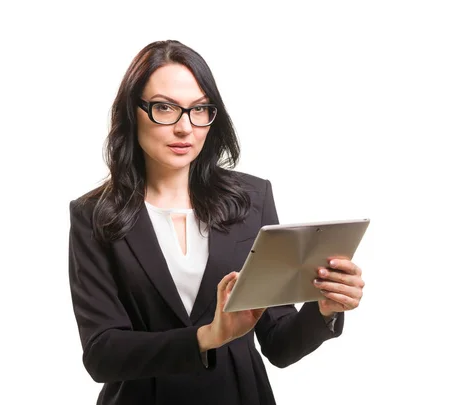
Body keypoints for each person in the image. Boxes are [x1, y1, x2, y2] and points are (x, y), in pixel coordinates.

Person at [67, 40, 365, 405]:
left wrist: (324, 309)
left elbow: (279, 345)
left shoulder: (251, 199)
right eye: (165, 108)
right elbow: (101, 354)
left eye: (199, 110)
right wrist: (206, 337)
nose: (184, 128)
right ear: (133, 111)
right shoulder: (95, 215)